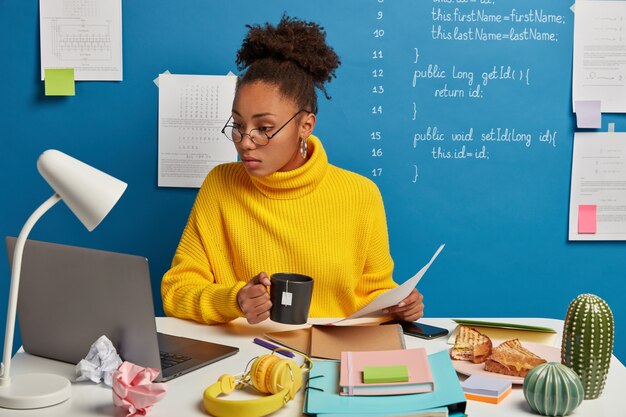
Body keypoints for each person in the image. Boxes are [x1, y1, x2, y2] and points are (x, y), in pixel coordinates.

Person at [161, 15, 424, 325]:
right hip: (247, 356)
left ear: (305, 125)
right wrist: (233, 299)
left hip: (334, 358)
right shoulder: (220, 185)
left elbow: (375, 295)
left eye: (264, 128)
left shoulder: (360, 194)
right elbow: (176, 292)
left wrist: (400, 305)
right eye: (238, 125)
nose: (245, 142)